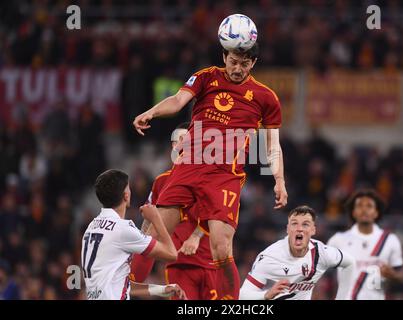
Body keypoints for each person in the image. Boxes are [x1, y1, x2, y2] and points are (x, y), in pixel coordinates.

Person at [133, 41, 288, 299]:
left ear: (254, 63)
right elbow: (177, 100)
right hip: (188, 167)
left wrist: (279, 180)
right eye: (234, 62)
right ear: (224, 56)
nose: (238, 68)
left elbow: (273, 145)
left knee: (220, 247)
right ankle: (124, 289)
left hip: (224, 176)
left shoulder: (265, 97)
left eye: (245, 64)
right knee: (155, 236)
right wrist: (152, 112)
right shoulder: (206, 77)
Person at [130, 123, 218, 300]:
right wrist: (136, 249)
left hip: (211, 264)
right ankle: (127, 286)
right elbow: (149, 222)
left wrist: (195, 236)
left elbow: (217, 214)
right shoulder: (161, 182)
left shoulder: (211, 179)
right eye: (179, 141)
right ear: (173, 146)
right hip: (179, 266)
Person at [81, 169, 185, 300]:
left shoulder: (91, 227)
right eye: (128, 188)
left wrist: (162, 290)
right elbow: (171, 254)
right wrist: (155, 218)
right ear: (126, 195)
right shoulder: (122, 229)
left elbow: (120, 285)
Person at [240, 205, 356, 300]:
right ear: (287, 229)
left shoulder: (322, 253)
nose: (299, 228)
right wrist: (266, 295)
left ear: (313, 230)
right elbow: (242, 295)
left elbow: (350, 263)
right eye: (294, 223)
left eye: (305, 224)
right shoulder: (269, 257)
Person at [327, 189, 403, 300]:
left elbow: (401, 276)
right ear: (353, 212)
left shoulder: (390, 240)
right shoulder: (338, 239)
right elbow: (321, 270)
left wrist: (392, 274)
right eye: (359, 206)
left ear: (376, 212)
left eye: (369, 206)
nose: (364, 210)